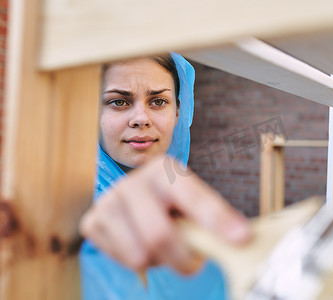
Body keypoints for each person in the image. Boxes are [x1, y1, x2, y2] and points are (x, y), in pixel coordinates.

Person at [79, 53, 251, 299]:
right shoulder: (63, 218)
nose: (141, 119)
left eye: (158, 102)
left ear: (179, 110)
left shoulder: (191, 210)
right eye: (119, 102)